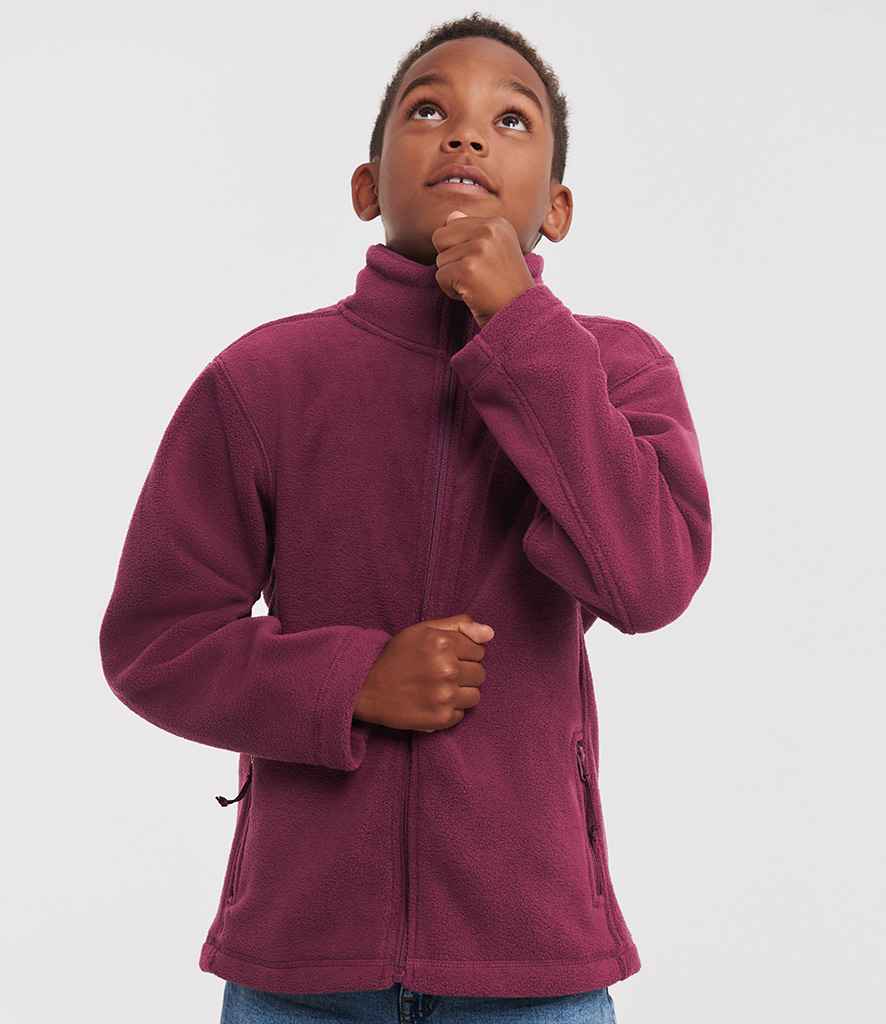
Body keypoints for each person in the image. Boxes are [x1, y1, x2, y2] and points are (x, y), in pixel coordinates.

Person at [99, 13, 712, 1024]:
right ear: (366, 186)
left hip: (532, 963)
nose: (465, 133)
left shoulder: (612, 371)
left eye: (510, 120)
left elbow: (649, 580)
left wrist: (522, 332)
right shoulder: (263, 379)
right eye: (428, 110)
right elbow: (155, 643)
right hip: (300, 963)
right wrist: (353, 681)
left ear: (556, 208)